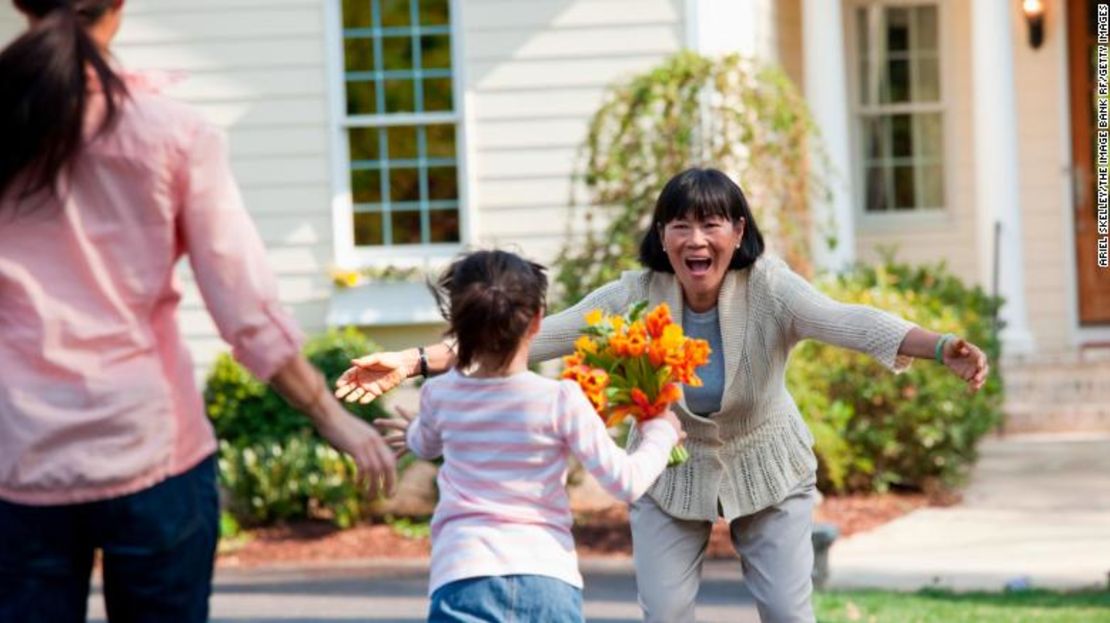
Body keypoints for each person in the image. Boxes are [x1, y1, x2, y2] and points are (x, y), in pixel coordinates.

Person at [337, 167, 989, 622]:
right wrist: (415, 358)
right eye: (679, 224)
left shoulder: (771, 288)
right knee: (667, 613)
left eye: (711, 223)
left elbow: (851, 321)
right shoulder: (634, 294)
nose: (694, 238)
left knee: (791, 613)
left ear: (737, 231)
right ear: (663, 235)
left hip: (767, 464)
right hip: (670, 477)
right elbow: (531, 335)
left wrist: (940, 346)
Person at [0, 2, 395, 622]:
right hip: (152, 451)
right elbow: (244, 304)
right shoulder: (173, 134)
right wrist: (329, 415)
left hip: (14, 458)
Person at [387, 249, 682, 622]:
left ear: (458, 325)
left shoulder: (439, 394)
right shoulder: (560, 399)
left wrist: (410, 433)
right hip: (547, 579)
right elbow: (625, 482)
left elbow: (425, 443)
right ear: (537, 321)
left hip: (463, 574)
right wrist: (661, 432)